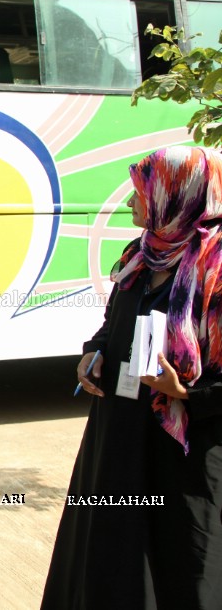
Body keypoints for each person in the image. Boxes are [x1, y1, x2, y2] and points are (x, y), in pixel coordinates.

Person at [42, 146, 222, 609]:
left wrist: (185, 392)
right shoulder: (140, 254)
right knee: (111, 549)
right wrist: (93, 352)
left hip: (184, 444)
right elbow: (112, 322)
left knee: (179, 557)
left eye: (141, 193)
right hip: (120, 430)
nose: (130, 204)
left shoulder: (215, 269)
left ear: (176, 195)